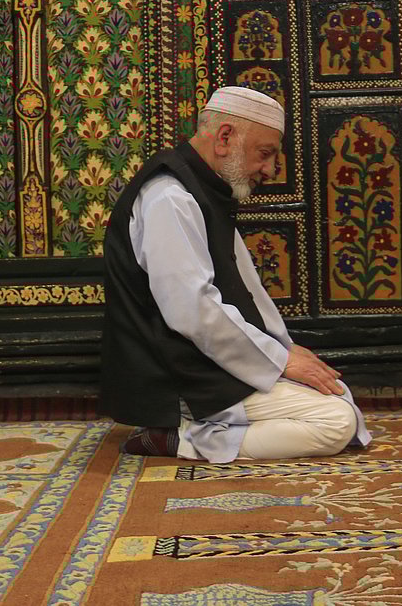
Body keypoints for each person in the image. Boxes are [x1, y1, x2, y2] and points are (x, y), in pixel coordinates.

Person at [100, 85, 371, 462]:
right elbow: (192, 311)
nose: (270, 170)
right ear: (225, 137)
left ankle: (198, 431)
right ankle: (179, 439)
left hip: (205, 362)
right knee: (334, 422)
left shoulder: (204, 191)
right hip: (180, 376)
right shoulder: (170, 197)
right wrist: (280, 361)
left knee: (336, 394)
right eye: (265, 154)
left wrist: (285, 350)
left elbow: (247, 290)